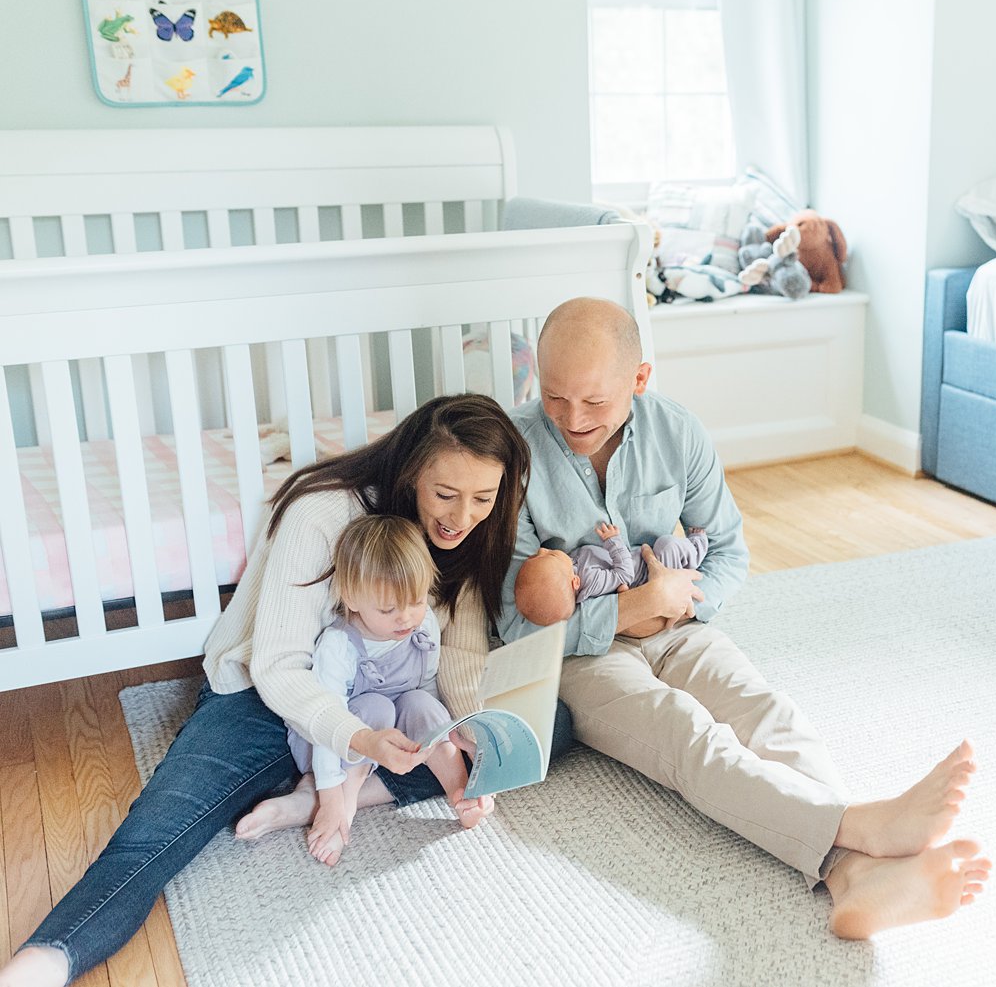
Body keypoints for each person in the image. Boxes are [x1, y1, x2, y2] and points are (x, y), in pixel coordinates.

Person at [0, 394, 572, 987]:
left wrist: (472, 728)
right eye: (445, 495)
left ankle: (322, 794)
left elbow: (458, 648)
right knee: (163, 826)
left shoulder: (470, 532)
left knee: (544, 726)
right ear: (410, 475)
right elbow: (277, 667)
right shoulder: (323, 514)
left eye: (483, 498)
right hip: (269, 699)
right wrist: (360, 738)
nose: (462, 516)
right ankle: (47, 959)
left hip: (393, 696)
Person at [499, 297, 991, 940]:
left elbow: (728, 549)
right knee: (686, 733)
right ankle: (856, 834)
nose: (571, 418)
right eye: (556, 397)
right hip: (583, 656)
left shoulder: (677, 432)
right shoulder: (513, 453)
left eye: (594, 402)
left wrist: (678, 601)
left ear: (640, 380)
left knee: (764, 710)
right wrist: (629, 609)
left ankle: (853, 875)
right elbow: (515, 624)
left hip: (680, 624)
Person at [289, 514, 492, 867]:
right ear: (351, 598)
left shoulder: (422, 623)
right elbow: (323, 725)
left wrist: (449, 734)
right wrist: (330, 794)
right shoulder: (339, 645)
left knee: (421, 702)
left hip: (393, 740)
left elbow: (426, 685)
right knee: (377, 707)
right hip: (330, 743)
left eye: (416, 601)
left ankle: (461, 792)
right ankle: (342, 807)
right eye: (388, 609)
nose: (405, 618)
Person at [513, 521, 708, 626]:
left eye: (535, 557)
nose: (541, 550)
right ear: (575, 582)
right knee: (668, 545)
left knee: (667, 545)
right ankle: (699, 547)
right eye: (551, 556)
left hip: (640, 559)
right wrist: (613, 541)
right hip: (647, 573)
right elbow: (625, 575)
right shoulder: (591, 580)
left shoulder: (572, 572)